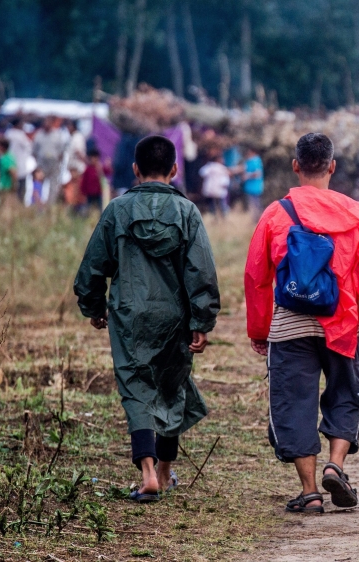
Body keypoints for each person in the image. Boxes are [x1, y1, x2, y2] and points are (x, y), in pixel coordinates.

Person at [244, 133, 359, 514]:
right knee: (346, 394)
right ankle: (336, 465)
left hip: (290, 327)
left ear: (295, 166)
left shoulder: (276, 213)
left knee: (294, 404)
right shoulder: (357, 214)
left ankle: (310, 491)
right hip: (341, 325)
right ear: (332, 167)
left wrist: (260, 330)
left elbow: (256, 277)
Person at [74, 135, 220, 503]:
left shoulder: (117, 210)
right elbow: (201, 273)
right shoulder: (187, 212)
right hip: (176, 316)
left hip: (129, 316)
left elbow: (93, 267)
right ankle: (168, 470)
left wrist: (94, 306)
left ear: (135, 170)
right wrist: (201, 322)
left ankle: (149, 473)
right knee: (172, 387)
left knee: (137, 390)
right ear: (174, 170)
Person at [33, 116, 67, 204]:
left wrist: (59, 163)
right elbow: (34, 151)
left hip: (54, 163)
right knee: (39, 183)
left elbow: (61, 152)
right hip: (42, 164)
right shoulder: (39, 135)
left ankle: (51, 205)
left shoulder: (57, 135)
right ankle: (38, 204)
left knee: (53, 185)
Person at [4, 119, 33, 200]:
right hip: (20, 166)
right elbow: (29, 148)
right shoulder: (20, 135)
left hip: (9, 164)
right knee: (21, 190)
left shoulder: (7, 134)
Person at [78, 148, 108, 213]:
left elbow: (108, 171)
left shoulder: (100, 168)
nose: (93, 160)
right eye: (91, 158)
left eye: (95, 158)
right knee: (88, 208)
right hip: (89, 193)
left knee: (100, 208)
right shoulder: (88, 169)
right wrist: (83, 192)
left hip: (98, 193)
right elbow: (84, 182)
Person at [242, 146, 265, 221]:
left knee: (256, 204)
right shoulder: (249, 161)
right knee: (252, 204)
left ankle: (259, 219)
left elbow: (257, 173)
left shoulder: (256, 160)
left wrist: (247, 176)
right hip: (250, 187)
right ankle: (254, 219)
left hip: (255, 187)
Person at [0, 138, 18, 204]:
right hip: (4, 187)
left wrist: (13, 186)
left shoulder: (6, 159)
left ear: (2, 147)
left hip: (6, 187)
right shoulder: (8, 156)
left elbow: (13, 172)